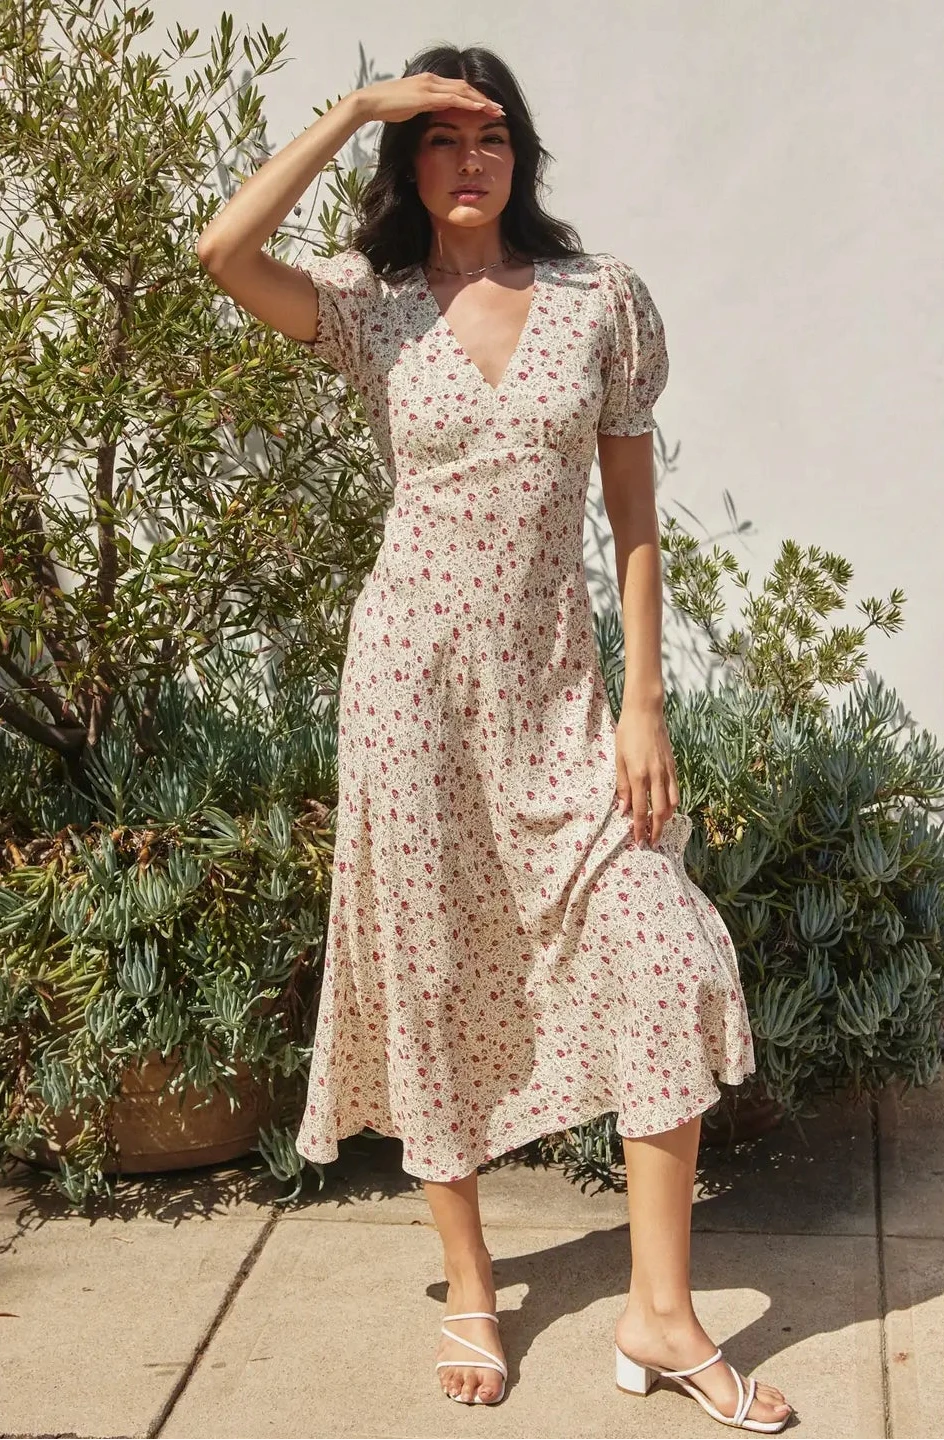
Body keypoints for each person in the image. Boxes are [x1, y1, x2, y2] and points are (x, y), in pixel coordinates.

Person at [196, 42, 794, 1433]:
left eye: (493, 137)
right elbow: (222, 251)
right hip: (407, 694)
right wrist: (352, 106)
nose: (471, 161)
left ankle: (658, 1311)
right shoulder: (373, 310)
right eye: (440, 139)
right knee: (428, 966)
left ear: (521, 158)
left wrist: (644, 702)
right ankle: (470, 1281)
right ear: (408, 166)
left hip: (560, 706)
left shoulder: (599, 302)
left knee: (659, 946)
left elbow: (633, 519)